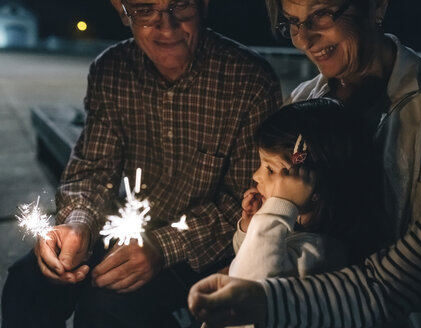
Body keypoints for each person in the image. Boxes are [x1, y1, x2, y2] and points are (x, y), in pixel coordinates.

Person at [186, 0, 421, 326]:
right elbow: (381, 284)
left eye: (322, 14)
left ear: (376, 7)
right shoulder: (304, 100)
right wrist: (256, 274)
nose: (303, 38)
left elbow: (413, 275)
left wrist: (268, 275)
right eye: (293, 22)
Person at [1, 0, 281, 327]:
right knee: (28, 281)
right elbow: (91, 170)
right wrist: (79, 224)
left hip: (204, 251)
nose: (166, 26)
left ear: (204, 4)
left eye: (180, 6)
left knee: (106, 308)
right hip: (125, 228)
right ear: (122, 10)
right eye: (145, 9)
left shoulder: (249, 81)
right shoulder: (112, 69)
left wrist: (161, 247)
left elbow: (246, 202)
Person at [230, 98, 386, 282]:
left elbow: (247, 279)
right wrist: (249, 228)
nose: (256, 176)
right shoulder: (291, 222)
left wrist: (274, 213)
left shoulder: (319, 253)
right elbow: (245, 257)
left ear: (315, 188)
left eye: (270, 169)